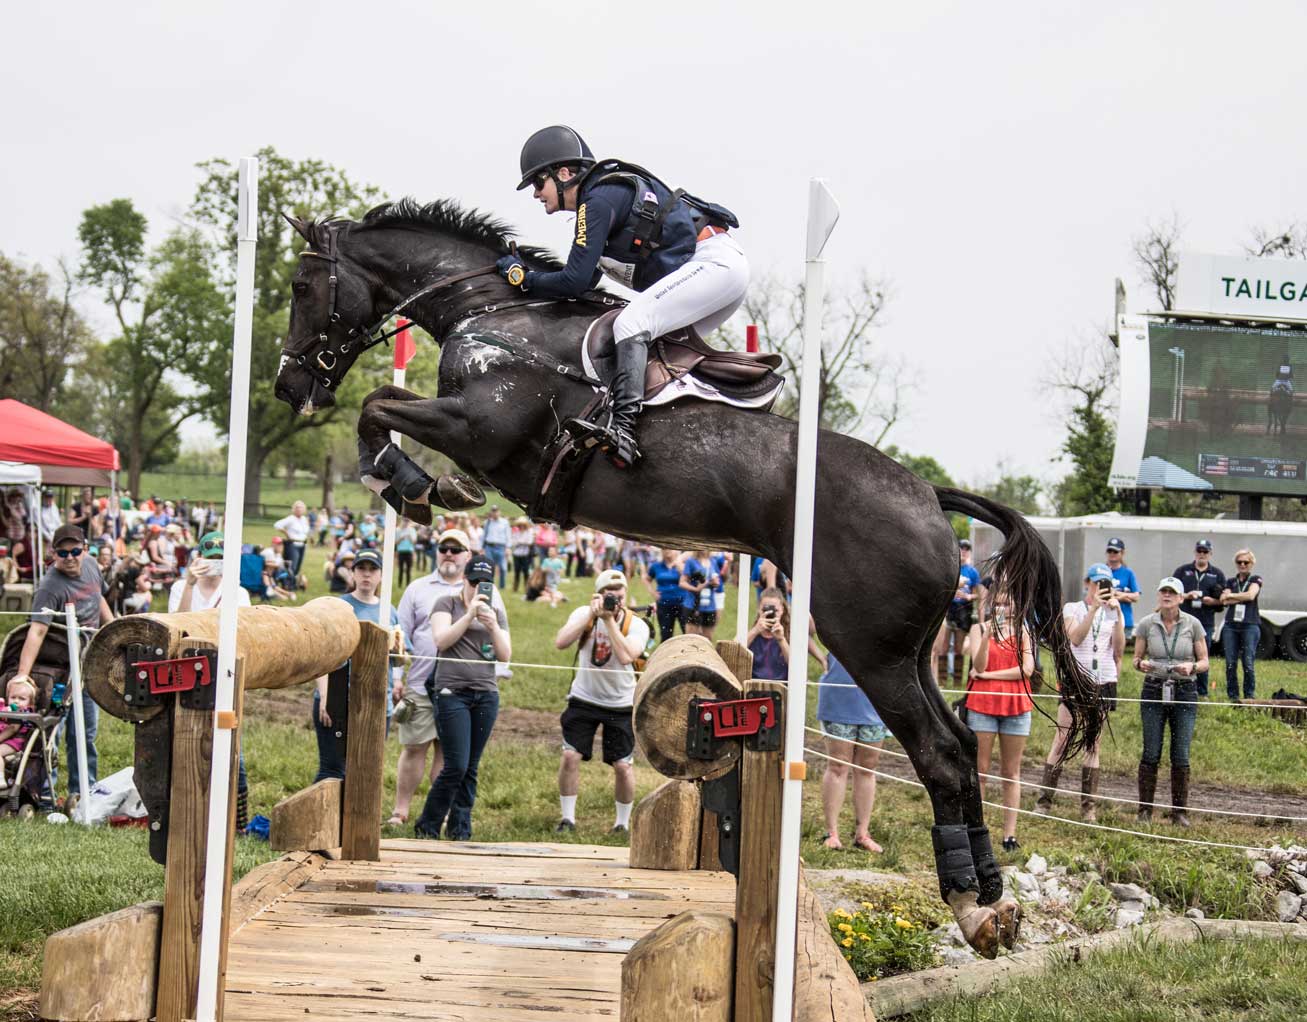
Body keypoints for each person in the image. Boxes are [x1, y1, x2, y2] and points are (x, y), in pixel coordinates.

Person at [500, 125, 747, 469]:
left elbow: (574, 281)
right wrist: (534, 277)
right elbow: (585, 283)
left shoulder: (597, 201)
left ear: (565, 173)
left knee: (632, 322)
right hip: (717, 273)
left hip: (714, 265)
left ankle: (625, 430)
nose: (536, 194)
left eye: (538, 184)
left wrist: (522, 278)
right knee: (656, 348)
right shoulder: (602, 203)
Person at [392, 529, 506, 826]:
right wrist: (395, 676)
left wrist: (491, 628)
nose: (449, 554)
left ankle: (450, 822)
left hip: (479, 688)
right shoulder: (423, 590)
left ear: (467, 555)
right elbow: (405, 636)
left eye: (456, 549)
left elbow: (504, 650)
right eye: (444, 548)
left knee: (457, 760)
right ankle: (403, 812)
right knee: (417, 746)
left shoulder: (494, 601)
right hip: (426, 682)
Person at [9, 524, 113, 802]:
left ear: (86, 549)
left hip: (89, 662)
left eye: (75, 551)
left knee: (86, 731)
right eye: (62, 553)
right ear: (54, 553)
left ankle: (83, 791)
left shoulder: (92, 566)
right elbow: (37, 631)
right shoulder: (49, 586)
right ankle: (45, 794)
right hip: (59, 670)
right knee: (52, 729)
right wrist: (21, 675)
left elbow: (98, 596)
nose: (69, 557)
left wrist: (113, 629)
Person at [414, 555, 511, 840]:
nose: (478, 588)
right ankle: (428, 824)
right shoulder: (446, 603)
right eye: (474, 582)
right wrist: (469, 616)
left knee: (470, 766)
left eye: (485, 583)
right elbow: (441, 640)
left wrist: (492, 625)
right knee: (455, 764)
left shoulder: (495, 611)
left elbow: (505, 655)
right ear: (464, 580)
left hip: (485, 694)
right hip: (451, 692)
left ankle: (460, 828)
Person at [552, 569, 649, 834]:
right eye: (609, 594)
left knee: (623, 766)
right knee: (570, 756)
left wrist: (609, 622)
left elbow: (627, 655)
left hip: (621, 702)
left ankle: (622, 824)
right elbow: (560, 642)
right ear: (597, 594)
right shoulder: (584, 614)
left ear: (625, 595)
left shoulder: (637, 624)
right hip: (584, 697)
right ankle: (567, 818)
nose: (614, 599)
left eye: (619, 594)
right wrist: (592, 615)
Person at [1036, 563, 1124, 822]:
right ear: (1088, 583)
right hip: (1076, 680)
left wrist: (1117, 615)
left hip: (1103, 680)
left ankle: (1088, 807)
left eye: (1105, 584)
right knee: (1062, 739)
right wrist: (1094, 608)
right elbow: (1075, 637)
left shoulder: (1112, 613)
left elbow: (1119, 649)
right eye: (1097, 583)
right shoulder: (1073, 608)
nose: (1101, 588)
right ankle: (1045, 800)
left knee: (1093, 743)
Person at [313, 549, 408, 782]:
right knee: (333, 770)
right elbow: (323, 655)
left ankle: (355, 819)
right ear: (353, 573)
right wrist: (325, 697)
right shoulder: (338, 607)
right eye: (361, 569)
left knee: (365, 771)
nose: (367, 575)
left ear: (381, 576)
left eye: (372, 569)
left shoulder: (389, 611)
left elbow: (398, 659)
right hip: (337, 697)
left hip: (375, 700)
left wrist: (398, 665)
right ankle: (318, 818)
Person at [961, 589, 1036, 852]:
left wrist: (990, 677)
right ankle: (977, 831)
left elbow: (1026, 670)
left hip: (1016, 706)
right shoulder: (978, 629)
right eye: (999, 603)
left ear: (1015, 606)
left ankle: (1009, 835)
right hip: (982, 706)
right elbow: (978, 666)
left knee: (1011, 773)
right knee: (980, 772)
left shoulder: (1023, 631)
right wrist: (988, 636)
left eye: (1008, 603)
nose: (1003, 607)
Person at [1133, 577, 1209, 827]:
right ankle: (1145, 811)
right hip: (1154, 687)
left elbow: (1205, 662)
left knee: (1181, 752)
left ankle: (1179, 812)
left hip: (1185, 689)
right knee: (1151, 749)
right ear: (1158, 596)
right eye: (1163, 591)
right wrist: (1141, 664)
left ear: (1180, 597)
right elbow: (1136, 658)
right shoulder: (1147, 623)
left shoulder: (1193, 624)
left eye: (1172, 592)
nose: (1167, 595)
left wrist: (1193, 667)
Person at [816, 654, 885, 852]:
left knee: (867, 767)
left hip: (875, 699)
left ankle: (862, 833)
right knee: (838, 765)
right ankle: (831, 833)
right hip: (838, 695)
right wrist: (821, 657)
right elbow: (805, 630)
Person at [1173, 539, 1225, 698]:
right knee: (1179, 653)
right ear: (1195, 552)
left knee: (1202, 656)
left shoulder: (1217, 574)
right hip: (1182, 620)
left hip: (1205, 622)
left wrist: (1212, 601)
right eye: (1199, 551)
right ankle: (1178, 687)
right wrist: (1186, 595)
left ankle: (1201, 692)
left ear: (1210, 554)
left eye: (1205, 552)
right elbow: (1171, 593)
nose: (1202, 554)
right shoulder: (1182, 571)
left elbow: (1222, 601)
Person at [933, 539, 982, 686]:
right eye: (961, 548)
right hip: (948, 609)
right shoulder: (951, 568)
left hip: (964, 610)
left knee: (959, 647)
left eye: (967, 548)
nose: (964, 551)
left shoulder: (973, 572)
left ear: (969, 552)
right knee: (943, 646)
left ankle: (956, 680)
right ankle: (941, 680)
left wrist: (968, 596)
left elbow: (977, 594)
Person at [1220, 549, 1263, 701]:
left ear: (1252, 563)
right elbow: (1223, 601)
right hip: (1231, 625)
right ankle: (1233, 696)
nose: (1243, 565)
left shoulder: (1256, 579)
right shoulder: (1231, 581)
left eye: (1246, 562)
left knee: (1248, 662)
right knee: (1230, 663)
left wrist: (1231, 595)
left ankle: (1249, 695)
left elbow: (1251, 595)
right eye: (1240, 562)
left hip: (1250, 625)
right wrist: (1239, 597)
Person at [747, 588, 791, 681]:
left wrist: (781, 640)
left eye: (775, 610)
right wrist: (755, 631)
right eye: (765, 610)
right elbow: (732, 651)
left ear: (782, 610)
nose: (770, 614)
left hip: (781, 689)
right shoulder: (752, 634)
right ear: (759, 609)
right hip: (753, 688)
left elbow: (797, 667)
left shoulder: (789, 634)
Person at [1104, 537, 1140, 645]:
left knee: (1118, 654)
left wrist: (1116, 594)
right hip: (1105, 618)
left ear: (1122, 552)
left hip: (1124, 617)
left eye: (1115, 551)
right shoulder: (1102, 570)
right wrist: (1125, 596)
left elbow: (1136, 596)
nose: (1112, 554)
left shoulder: (1128, 573)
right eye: (1110, 551)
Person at [644, 548, 685, 643]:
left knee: (686, 632)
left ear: (676, 550)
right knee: (665, 633)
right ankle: (665, 654)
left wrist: (681, 568)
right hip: (664, 604)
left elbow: (691, 580)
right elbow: (646, 579)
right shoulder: (656, 566)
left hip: (682, 603)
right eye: (664, 549)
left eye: (670, 548)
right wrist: (653, 592)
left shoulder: (682, 565)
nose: (667, 550)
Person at [679, 548, 720, 638]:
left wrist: (715, 583)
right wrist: (696, 589)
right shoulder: (691, 561)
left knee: (708, 639)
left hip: (709, 606)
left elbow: (718, 581)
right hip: (693, 605)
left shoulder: (713, 561)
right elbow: (682, 583)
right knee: (691, 639)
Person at [274, 501, 312, 587]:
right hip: (293, 544)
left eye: (301, 507)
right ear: (293, 509)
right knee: (292, 566)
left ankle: (293, 583)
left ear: (304, 509)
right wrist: (287, 534)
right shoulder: (291, 519)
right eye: (297, 507)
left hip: (302, 544)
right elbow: (277, 525)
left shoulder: (304, 519)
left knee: (298, 567)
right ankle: (287, 584)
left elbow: (306, 531)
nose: (299, 509)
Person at [481, 505, 510, 588]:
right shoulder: (487, 522)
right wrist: (482, 548)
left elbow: (508, 535)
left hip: (501, 547)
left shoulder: (505, 522)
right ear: (491, 512)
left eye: (496, 511)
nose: (495, 513)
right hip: (489, 547)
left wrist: (508, 548)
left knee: (502, 567)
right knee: (489, 567)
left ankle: (502, 585)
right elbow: (484, 535)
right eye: (493, 511)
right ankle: (490, 584)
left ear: (499, 512)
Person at [510, 518, 535, 592]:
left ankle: (527, 588)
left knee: (526, 572)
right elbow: (513, 542)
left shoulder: (528, 533)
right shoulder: (516, 533)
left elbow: (529, 542)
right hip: (517, 554)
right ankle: (515, 588)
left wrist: (520, 542)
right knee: (517, 571)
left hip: (525, 555)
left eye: (523, 525)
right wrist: (522, 542)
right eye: (520, 525)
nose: (521, 526)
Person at [395, 518, 417, 589]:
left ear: (409, 522)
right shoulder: (398, 530)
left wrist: (410, 537)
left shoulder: (412, 530)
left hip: (409, 552)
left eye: (407, 521)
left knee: (408, 569)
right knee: (400, 569)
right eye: (404, 520)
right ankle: (400, 584)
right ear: (402, 521)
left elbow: (414, 542)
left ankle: (408, 585)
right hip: (401, 551)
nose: (406, 522)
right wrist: (401, 538)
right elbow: (395, 543)